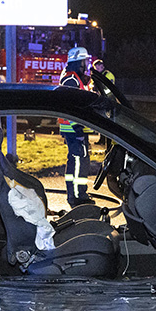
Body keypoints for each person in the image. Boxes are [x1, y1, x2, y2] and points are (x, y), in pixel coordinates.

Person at [59, 47, 95, 206]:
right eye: (84, 61)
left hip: (74, 130)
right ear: (78, 62)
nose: (86, 64)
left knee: (76, 162)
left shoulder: (74, 78)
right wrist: (78, 128)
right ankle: (78, 196)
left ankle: (76, 194)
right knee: (79, 162)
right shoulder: (71, 80)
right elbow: (70, 107)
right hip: (75, 130)